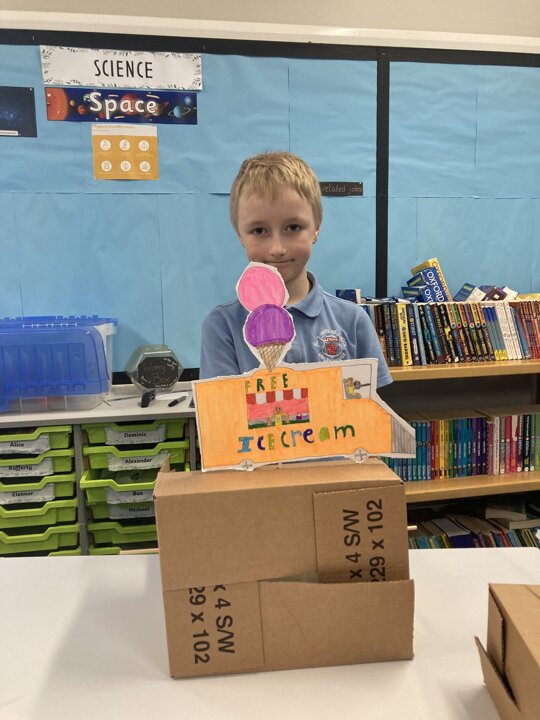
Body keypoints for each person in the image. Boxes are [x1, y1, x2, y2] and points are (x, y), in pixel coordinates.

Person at [199, 151, 392, 389]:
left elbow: (369, 405)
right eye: (259, 231)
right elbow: (221, 409)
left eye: (293, 227)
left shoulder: (352, 321)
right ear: (240, 235)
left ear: (316, 228)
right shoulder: (222, 326)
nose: (277, 249)